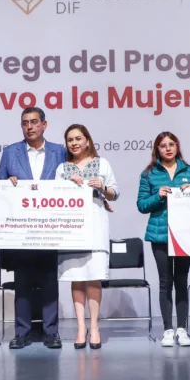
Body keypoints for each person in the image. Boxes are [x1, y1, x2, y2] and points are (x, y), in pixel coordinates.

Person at [0, 107, 67, 350]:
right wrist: (7, 184)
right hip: (21, 229)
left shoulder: (60, 152)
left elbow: (70, 184)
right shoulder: (10, 152)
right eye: (25, 123)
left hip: (50, 226)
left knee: (49, 281)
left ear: (44, 125)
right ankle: (22, 333)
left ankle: (51, 332)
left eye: (34, 122)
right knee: (23, 282)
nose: (30, 127)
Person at [57, 124, 119, 350]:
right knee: (77, 276)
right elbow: (54, 196)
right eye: (70, 140)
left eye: (78, 138)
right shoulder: (62, 168)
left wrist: (103, 187)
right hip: (71, 228)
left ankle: (94, 327)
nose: (74, 143)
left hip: (95, 226)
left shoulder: (102, 164)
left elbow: (115, 193)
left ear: (87, 141)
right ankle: (80, 328)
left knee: (93, 276)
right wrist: (67, 186)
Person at [137, 131, 190, 348]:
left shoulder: (188, 170)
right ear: (157, 149)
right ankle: (168, 330)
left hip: (184, 235)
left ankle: (182, 329)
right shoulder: (149, 173)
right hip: (160, 235)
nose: (168, 148)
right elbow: (142, 205)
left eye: (171, 144)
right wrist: (158, 196)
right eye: (163, 145)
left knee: (181, 281)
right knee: (165, 282)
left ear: (177, 146)